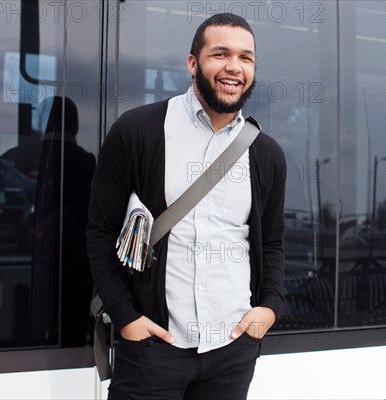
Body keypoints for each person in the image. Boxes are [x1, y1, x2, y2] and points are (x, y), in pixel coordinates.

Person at [87, 13, 286, 400]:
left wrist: (270, 307)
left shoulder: (267, 154)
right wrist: (126, 317)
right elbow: (100, 231)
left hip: (232, 350)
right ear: (193, 63)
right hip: (152, 349)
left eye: (246, 58)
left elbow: (273, 243)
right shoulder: (138, 130)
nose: (234, 66)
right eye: (220, 54)